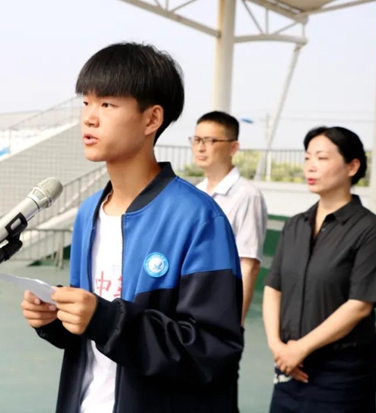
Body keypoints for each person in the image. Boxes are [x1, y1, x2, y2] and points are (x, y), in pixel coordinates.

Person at [20, 42, 244, 413]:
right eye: (86, 102)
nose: (89, 118)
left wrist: (105, 320)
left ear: (151, 119)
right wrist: (56, 319)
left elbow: (211, 350)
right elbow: (93, 333)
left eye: (107, 104)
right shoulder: (88, 213)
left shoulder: (198, 218)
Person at [263, 126, 376, 413]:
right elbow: (273, 288)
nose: (310, 166)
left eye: (322, 158)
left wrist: (300, 349)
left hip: (341, 374)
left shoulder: (370, 230)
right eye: (307, 157)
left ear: (352, 166)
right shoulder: (295, 225)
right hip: (288, 366)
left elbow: (359, 305)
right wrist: (278, 347)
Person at [192, 111, 268, 325]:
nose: (200, 147)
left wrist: (233, 327)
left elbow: (248, 265)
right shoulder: (195, 193)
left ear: (233, 147)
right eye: (197, 140)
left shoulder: (247, 195)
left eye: (210, 140)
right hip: (188, 308)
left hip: (218, 314)